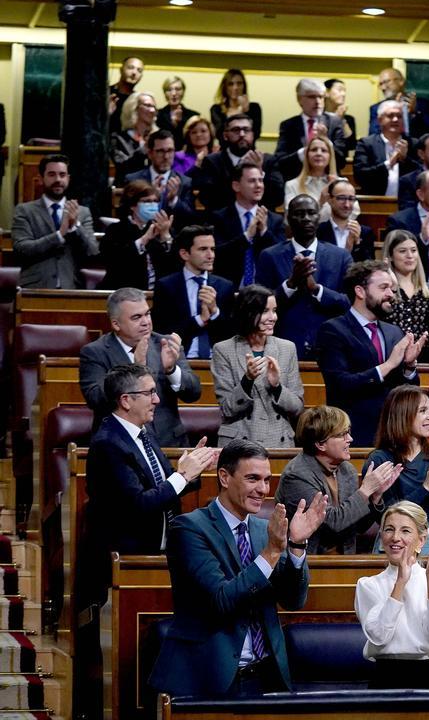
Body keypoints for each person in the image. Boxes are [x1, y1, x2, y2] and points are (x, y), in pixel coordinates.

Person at [147, 440, 328, 698]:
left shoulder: (262, 529)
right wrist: (272, 552)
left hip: (265, 677)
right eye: (253, 479)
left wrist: (297, 546)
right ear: (224, 477)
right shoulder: (190, 528)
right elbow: (222, 600)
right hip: (210, 679)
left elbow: (293, 599)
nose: (263, 489)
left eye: (266, 480)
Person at [85, 363, 217, 567]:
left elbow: (163, 487)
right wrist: (182, 477)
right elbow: (139, 504)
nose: (157, 399)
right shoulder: (108, 444)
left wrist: (194, 469)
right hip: (129, 559)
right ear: (126, 400)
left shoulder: (144, 432)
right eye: (150, 393)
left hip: (161, 548)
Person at [354, 501, 429, 689]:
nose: (395, 538)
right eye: (389, 529)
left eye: (405, 531)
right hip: (387, 676)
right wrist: (400, 582)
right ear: (381, 536)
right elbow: (379, 636)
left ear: (421, 539)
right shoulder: (368, 585)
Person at [316, 260, 424, 440]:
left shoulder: (394, 331)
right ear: (360, 291)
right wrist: (388, 366)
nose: (391, 294)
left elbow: (406, 392)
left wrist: (409, 366)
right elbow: (340, 384)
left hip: (393, 433)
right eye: (383, 288)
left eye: (391, 288)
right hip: (353, 433)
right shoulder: (333, 330)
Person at [80, 288, 202, 446]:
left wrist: (171, 370)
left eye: (147, 314)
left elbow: (194, 393)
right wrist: (135, 368)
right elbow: (96, 399)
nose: (146, 322)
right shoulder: (95, 352)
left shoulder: (164, 344)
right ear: (116, 324)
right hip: (119, 446)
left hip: (168, 443)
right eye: (136, 317)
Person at [278, 405, 398, 555]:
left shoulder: (347, 470)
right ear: (320, 444)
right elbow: (332, 523)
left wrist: (375, 496)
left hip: (344, 559)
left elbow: (357, 525)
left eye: (348, 432)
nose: (350, 439)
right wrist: (365, 490)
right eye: (343, 435)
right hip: (309, 562)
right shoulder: (297, 476)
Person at [364, 387, 429, 553]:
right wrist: (426, 487)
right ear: (403, 415)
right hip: (392, 543)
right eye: (423, 411)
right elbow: (388, 518)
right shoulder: (380, 459)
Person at [254, 194, 351, 359]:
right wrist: (290, 284)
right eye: (299, 213)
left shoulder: (340, 257)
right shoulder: (270, 256)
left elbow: (350, 303)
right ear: (288, 218)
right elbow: (258, 306)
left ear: (319, 218)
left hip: (330, 347)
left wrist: (317, 289)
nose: (306, 218)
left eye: (311, 213)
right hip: (281, 348)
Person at [211, 285, 304, 447]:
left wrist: (277, 387)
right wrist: (247, 380)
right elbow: (227, 409)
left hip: (279, 442)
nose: (273, 317)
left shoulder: (287, 348)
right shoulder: (224, 350)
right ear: (248, 313)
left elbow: (297, 408)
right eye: (265, 311)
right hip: (239, 444)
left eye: (274, 310)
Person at [11, 154, 99, 289]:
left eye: (62, 175)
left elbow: (92, 251)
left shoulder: (82, 212)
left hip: (71, 287)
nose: (58, 179)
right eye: (51, 174)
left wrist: (75, 226)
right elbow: (22, 249)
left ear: (68, 179)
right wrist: (59, 234)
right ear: (41, 179)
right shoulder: (25, 211)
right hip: (34, 288)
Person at [151, 224, 235, 359]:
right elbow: (162, 334)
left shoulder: (225, 286)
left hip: (218, 361)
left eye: (212, 249)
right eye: (203, 249)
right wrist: (199, 320)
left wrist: (214, 312)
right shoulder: (166, 286)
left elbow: (231, 336)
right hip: (179, 359)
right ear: (184, 254)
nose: (210, 255)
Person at [210, 162, 287, 287]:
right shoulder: (219, 218)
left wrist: (264, 232)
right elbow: (217, 255)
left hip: (265, 290)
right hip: (229, 287)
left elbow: (282, 257)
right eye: (252, 181)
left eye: (261, 181)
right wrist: (246, 237)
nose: (258, 185)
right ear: (236, 186)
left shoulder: (275, 220)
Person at [191, 112, 286, 212]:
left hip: (261, 220)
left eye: (246, 130)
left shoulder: (268, 161)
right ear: (225, 135)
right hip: (223, 222)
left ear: (253, 134)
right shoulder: (212, 161)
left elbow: (277, 198)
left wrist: (259, 172)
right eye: (236, 130)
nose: (242, 134)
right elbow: (206, 199)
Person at [98, 179, 176, 290]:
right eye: (147, 201)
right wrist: (143, 240)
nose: (153, 205)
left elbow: (174, 266)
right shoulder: (115, 230)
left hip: (158, 293)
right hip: (125, 293)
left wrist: (166, 236)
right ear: (132, 205)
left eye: (155, 201)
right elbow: (116, 264)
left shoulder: (161, 228)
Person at [381, 229, 429, 340]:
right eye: (402, 251)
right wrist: (392, 288)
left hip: (424, 354)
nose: (410, 255)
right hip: (392, 354)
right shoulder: (383, 290)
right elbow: (381, 320)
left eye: (413, 250)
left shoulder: (426, 289)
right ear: (390, 256)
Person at [274, 77, 348, 181]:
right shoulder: (288, 125)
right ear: (299, 99)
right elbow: (280, 162)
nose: (318, 102)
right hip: (297, 182)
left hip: (328, 182)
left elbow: (342, 161)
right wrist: (304, 153)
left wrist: (327, 142)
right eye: (312, 97)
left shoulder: (334, 122)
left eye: (321, 97)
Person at [123, 129, 195, 222]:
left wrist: (173, 200)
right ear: (150, 153)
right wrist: (150, 195)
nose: (166, 157)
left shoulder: (185, 182)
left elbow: (190, 218)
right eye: (160, 151)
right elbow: (123, 213)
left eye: (170, 151)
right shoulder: (133, 180)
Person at [353, 99, 419, 198]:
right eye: (390, 116)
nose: (396, 119)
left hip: (407, 203)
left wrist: (405, 159)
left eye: (399, 116)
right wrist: (388, 164)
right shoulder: (367, 144)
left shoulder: (413, 144)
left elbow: (422, 175)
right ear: (380, 120)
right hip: (376, 202)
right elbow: (360, 176)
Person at [367, 66, 429, 138]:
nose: (383, 88)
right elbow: (373, 134)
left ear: (401, 81)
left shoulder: (422, 104)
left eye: (386, 82)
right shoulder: (376, 108)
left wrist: (415, 112)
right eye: (380, 84)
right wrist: (394, 109)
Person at [319, 178, 376, 262]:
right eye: (341, 198)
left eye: (351, 199)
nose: (347, 205)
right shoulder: (319, 231)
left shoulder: (365, 232)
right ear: (329, 199)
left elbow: (369, 269)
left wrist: (357, 244)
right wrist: (347, 250)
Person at [283, 136, 340, 219]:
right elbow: (290, 217)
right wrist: (320, 203)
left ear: (330, 156)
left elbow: (354, 212)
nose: (318, 153)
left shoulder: (342, 183)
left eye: (324, 150)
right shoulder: (292, 185)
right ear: (306, 155)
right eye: (314, 150)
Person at [110, 91, 158, 183]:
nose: (152, 111)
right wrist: (143, 149)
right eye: (147, 106)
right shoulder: (118, 138)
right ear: (134, 108)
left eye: (154, 107)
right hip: (126, 189)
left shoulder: (158, 137)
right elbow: (122, 165)